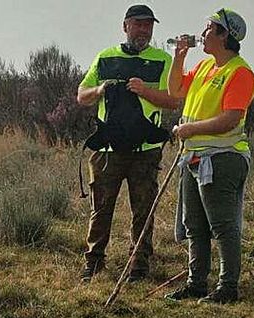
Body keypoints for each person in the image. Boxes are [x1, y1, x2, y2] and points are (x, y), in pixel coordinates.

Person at [78, 5, 179, 283]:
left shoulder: (161, 60)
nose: (144, 30)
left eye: (148, 26)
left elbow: (174, 100)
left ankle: (139, 264)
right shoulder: (105, 57)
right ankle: (94, 261)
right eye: (138, 24)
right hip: (107, 152)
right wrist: (99, 90)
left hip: (144, 152)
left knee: (143, 209)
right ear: (125, 26)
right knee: (101, 208)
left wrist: (146, 92)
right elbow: (82, 96)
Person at [165, 8, 254, 304]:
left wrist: (189, 129)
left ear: (224, 36)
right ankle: (196, 284)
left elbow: (230, 119)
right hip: (194, 157)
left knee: (222, 224)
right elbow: (176, 89)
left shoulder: (240, 72)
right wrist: (179, 56)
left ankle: (228, 286)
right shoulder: (206, 67)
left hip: (223, 157)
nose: (202, 34)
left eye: (208, 29)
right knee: (194, 223)